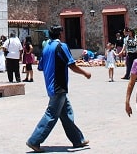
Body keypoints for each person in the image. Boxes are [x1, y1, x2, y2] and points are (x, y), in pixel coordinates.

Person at [26, 24, 91, 152]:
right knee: (51, 114)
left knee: (66, 113)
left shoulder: (46, 48)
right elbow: (71, 65)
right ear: (60, 34)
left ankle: (78, 140)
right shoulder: (61, 46)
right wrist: (85, 73)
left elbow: (40, 67)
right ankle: (34, 140)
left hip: (50, 85)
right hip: (58, 86)